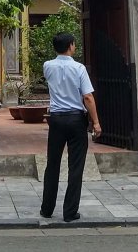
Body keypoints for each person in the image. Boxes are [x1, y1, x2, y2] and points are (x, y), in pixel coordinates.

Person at [40, 32, 101, 223]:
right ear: (71, 46)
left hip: (56, 119)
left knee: (53, 164)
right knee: (75, 166)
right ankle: (70, 211)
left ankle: (47, 209)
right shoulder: (79, 68)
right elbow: (88, 97)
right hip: (76, 120)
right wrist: (96, 122)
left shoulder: (47, 66)